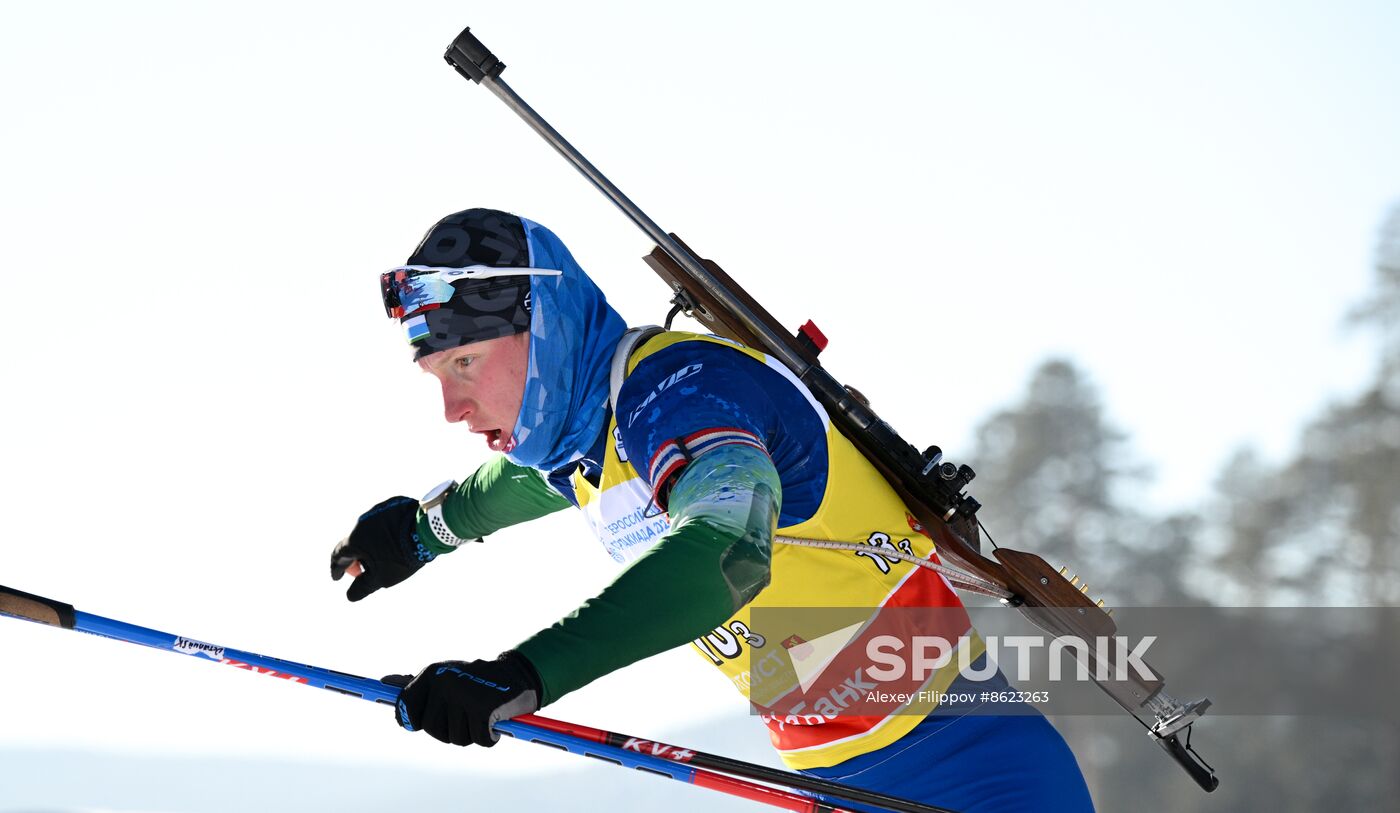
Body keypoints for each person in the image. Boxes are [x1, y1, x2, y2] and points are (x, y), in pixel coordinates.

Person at [331, 208, 1095, 813]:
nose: (452, 407)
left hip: (973, 779)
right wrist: (420, 532)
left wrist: (525, 673)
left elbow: (727, 553)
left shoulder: (687, 390)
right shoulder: (595, 441)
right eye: (436, 373)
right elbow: (520, 485)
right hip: (837, 785)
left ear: (550, 324)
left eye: (465, 362)